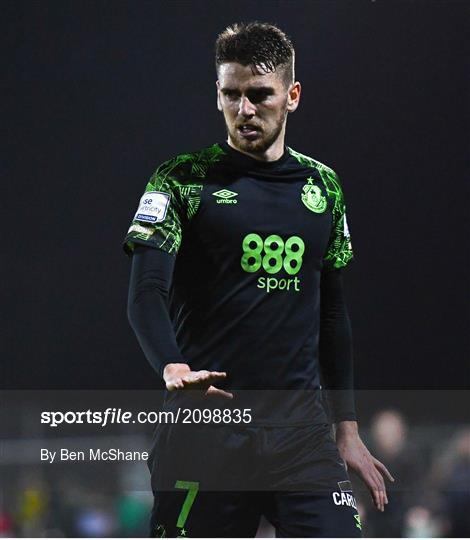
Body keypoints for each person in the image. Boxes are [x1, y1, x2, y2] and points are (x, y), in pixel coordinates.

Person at [124, 21, 393, 538]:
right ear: (218, 95)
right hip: (206, 438)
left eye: (259, 95)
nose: (244, 110)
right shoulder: (181, 179)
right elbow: (145, 292)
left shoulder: (323, 187)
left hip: (300, 437)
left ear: (291, 96)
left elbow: (333, 313)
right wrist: (172, 366)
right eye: (231, 95)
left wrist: (348, 427)